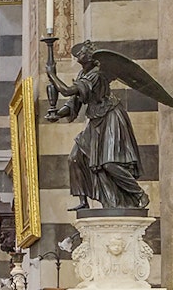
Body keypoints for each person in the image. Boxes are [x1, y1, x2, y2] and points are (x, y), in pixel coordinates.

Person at [46, 41, 149, 209]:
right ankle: (83, 202)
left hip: (111, 117)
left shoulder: (96, 74)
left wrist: (52, 74)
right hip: (95, 120)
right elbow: (74, 102)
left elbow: (66, 91)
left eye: (82, 53)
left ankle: (139, 193)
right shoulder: (82, 74)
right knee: (75, 158)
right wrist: (57, 114)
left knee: (110, 163)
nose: (78, 55)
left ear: (90, 57)